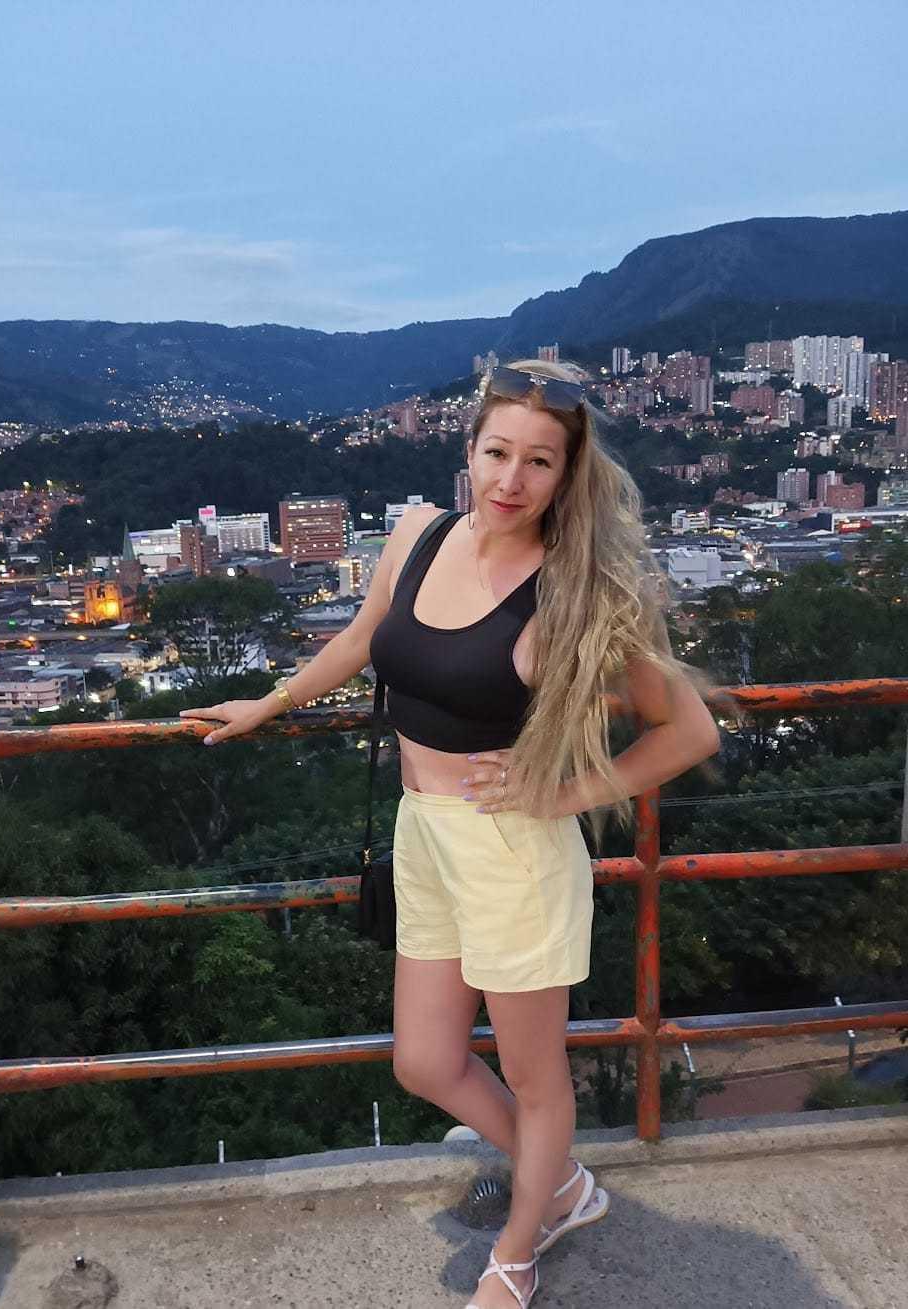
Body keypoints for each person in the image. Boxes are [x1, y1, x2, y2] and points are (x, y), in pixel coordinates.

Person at [182, 359, 721, 1308]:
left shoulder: (576, 589)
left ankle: (519, 1247)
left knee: (534, 1076)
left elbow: (690, 730)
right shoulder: (419, 535)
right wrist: (271, 700)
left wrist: (568, 792)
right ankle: (561, 1183)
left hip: (511, 850)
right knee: (424, 1059)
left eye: (540, 461)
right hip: (422, 832)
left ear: (568, 475)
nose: (512, 479)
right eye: (497, 452)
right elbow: (363, 637)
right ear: (468, 451)